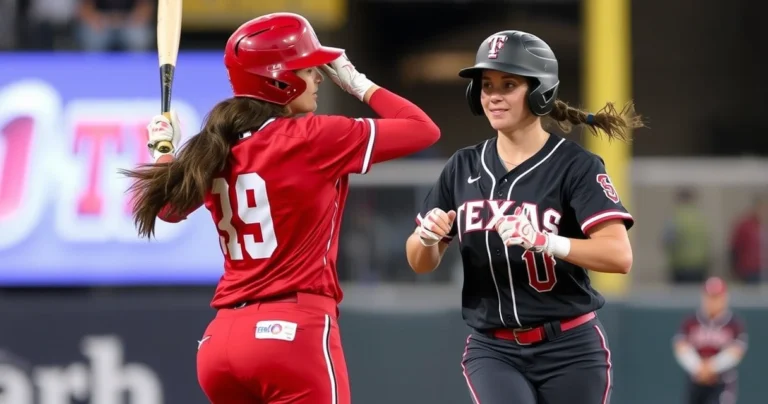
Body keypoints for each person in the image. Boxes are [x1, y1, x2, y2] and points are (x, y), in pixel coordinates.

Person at [120, 12, 440, 404]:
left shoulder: (212, 148)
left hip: (220, 342)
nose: (320, 76)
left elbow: (167, 209)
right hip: (292, 332)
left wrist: (164, 151)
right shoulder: (313, 137)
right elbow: (423, 129)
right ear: (278, 79)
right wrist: (357, 82)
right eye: (308, 68)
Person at [404, 30, 644, 404]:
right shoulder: (462, 166)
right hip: (493, 349)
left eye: (509, 84)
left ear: (539, 91)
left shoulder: (575, 166)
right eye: (486, 85)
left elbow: (619, 255)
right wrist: (427, 239)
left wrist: (547, 241)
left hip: (570, 347)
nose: (494, 95)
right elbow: (420, 262)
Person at [673, 276, 748, 404]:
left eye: (716, 297)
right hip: (695, 379)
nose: (712, 301)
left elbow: (736, 351)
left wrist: (712, 367)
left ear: (724, 297)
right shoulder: (691, 321)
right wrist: (697, 367)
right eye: (709, 297)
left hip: (722, 380)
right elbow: (681, 346)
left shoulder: (734, 323)